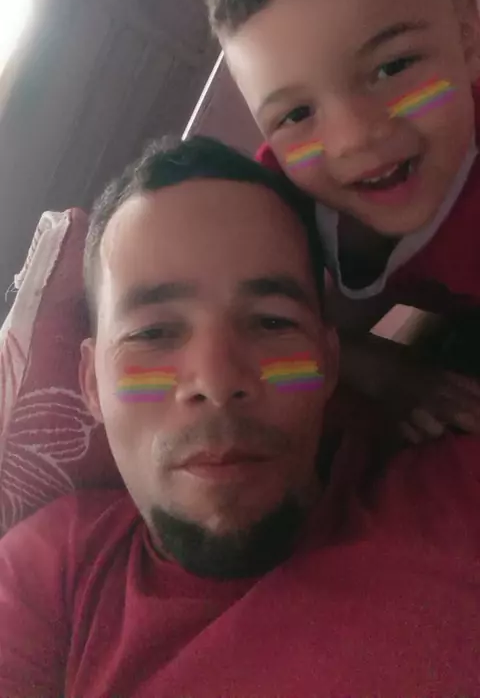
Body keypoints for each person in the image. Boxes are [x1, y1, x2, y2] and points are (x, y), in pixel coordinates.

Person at [0, 136, 478, 698]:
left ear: (328, 362)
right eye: (153, 333)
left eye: (273, 322)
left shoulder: (456, 495)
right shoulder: (49, 575)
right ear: (90, 385)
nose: (217, 381)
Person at [202, 0, 480, 435]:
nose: (355, 138)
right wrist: (386, 372)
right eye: (296, 114)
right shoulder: (275, 201)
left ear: (467, 34)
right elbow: (248, 331)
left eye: (393, 67)